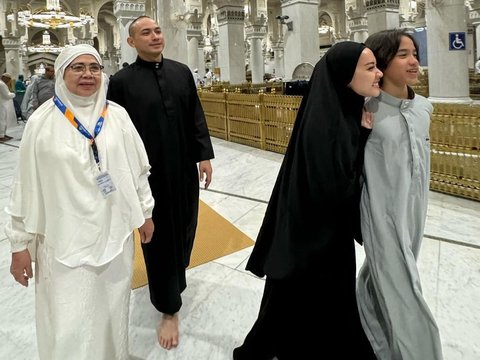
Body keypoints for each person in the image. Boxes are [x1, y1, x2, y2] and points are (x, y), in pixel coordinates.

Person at [233, 41, 383, 359]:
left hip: (318, 239)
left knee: (295, 304)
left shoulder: (340, 112)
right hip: (313, 240)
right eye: (370, 68)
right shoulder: (326, 125)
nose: (378, 73)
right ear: (345, 76)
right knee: (303, 302)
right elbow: (336, 187)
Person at [6, 44, 155, 360]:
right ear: (62, 73)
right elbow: (25, 188)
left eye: (94, 67)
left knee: (113, 311)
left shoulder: (117, 116)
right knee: (68, 320)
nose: (88, 74)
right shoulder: (41, 123)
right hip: (62, 243)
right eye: (78, 67)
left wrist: (145, 212)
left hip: (114, 237)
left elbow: (137, 170)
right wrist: (20, 245)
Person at [107, 15, 214, 350]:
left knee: (185, 227)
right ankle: (168, 308)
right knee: (158, 239)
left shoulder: (181, 72)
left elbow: (195, 115)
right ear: (131, 42)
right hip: (148, 176)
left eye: (156, 31)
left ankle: (176, 277)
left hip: (183, 169)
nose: (154, 36)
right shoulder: (122, 82)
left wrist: (204, 155)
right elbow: (115, 133)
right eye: (145, 33)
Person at [356, 29, 444, 360]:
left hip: (413, 210)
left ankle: (375, 342)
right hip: (381, 213)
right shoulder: (367, 111)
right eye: (403, 55)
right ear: (382, 61)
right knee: (406, 291)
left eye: (415, 54)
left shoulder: (424, 108)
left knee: (380, 281)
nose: (413, 62)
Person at [0, 72, 16, 141]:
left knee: (4, 119)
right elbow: (7, 95)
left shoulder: (3, 84)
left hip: (3, 104)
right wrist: (13, 94)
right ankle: (1, 136)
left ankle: (3, 134)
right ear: (4, 78)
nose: (9, 80)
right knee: (2, 120)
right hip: (1, 105)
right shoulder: (2, 84)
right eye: (8, 79)